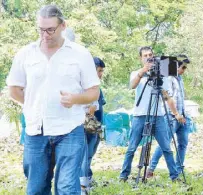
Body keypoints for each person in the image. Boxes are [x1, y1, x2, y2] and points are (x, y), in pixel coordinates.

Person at [6, 5, 100, 195]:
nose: (45, 35)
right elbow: (14, 89)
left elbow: (93, 93)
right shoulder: (25, 53)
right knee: (36, 189)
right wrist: (35, 104)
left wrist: (75, 99)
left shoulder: (80, 54)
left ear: (63, 26)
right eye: (41, 29)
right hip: (35, 131)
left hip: (70, 129)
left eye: (50, 29)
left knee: (66, 187)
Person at [119, 46, 184, 182]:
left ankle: (175, 176)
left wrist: (176, 113)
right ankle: (123, 176)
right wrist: (143, 71)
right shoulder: (136, 73)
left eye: (150, 55)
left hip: (158, 116)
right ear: (141, 58)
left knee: (166, 147)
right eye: (145, 55)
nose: (148, 57)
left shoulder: (162, 75)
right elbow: (132, 85)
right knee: (131, 148)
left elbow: (167, 96)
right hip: (140, 115)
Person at [147, 54, 190, 177]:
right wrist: (176, 114)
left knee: (183, 143)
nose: (183, 70)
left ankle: (179, 169)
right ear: (176, 66)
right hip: (171, 117)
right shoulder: (168, 79)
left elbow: (180, 98)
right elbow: (168, 99)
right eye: (183, 67)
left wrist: (183, 114)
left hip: (182, 115)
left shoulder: (179, 79)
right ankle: (151, 169)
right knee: (164, 144)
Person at [80, 57, 106, 193]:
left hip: (95, 126)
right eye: (99, 70)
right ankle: (83, 185)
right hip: (86, 126)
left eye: (102, 71)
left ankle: (87, 179)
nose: (101, 74)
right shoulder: (85, 85)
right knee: (84, 156)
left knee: (89, 155)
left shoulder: (97, 87)